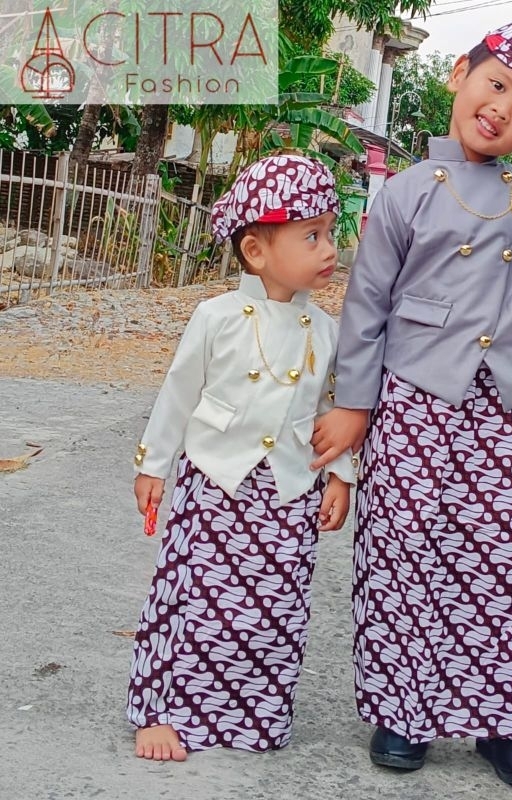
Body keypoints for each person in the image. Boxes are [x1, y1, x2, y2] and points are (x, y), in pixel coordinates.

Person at [310, 18, 512, 787]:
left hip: (504, 407)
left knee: (501, 559)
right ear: (459, 75)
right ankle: (401, 710)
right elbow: (366, 307)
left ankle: (503, 720)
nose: (502, 110)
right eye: (495, 85)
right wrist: (353, 404)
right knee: (404, 550)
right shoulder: (405, 193)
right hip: (415, 399)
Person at [126, 154, 356, 761]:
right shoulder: (217, 317)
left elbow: (333, 409)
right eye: (312, 236)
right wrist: (153, 465)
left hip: (289, 492)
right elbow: (179, 392)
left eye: (329, 233)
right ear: (255, 251)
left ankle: (255, 714)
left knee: (273, 608)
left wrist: (340, 477)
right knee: (192, 600)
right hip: (215, 484)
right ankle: (162, 713)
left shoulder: (325, 329)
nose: (330, 249)